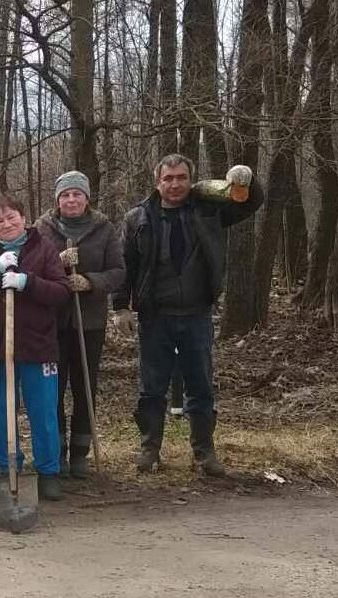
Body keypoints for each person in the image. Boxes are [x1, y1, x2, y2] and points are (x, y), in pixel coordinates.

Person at [110, 154, 263, 477]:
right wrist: (121, 307)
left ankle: (204, 453)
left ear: (190, 180)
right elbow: (125, 266)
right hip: (156, 316)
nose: (175, 184)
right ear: (157, 182)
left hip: (197, 313)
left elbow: (249, 203)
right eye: (168, 178)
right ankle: (149, 449)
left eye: (181, 177)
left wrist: (247, 179)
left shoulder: (208, 209)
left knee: (201, 386)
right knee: (152, 388)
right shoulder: (137, 218)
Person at [0, 195, 71, 501]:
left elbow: (61, 292)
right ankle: (8, 466)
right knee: (2, 411)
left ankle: (48, 471)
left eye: (12, 217)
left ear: (24, 218)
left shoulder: (43, 248)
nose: (6, 224)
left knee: (43, 411)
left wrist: (27, 282)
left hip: (38, 346)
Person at [34, 171, 125, 478]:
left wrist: (89, 281)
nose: (71, 200)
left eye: (76, 194)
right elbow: (30, 268)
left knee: (85, 387)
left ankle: (81, 454)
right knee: (53, 390)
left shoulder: (104, 228)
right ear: (57, 200)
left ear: (87, 198)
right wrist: (56, 263)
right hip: (53, 322)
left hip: (90, 322)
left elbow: (118, 272)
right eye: (65, 195)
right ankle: (56, 451)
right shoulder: (42, 228)